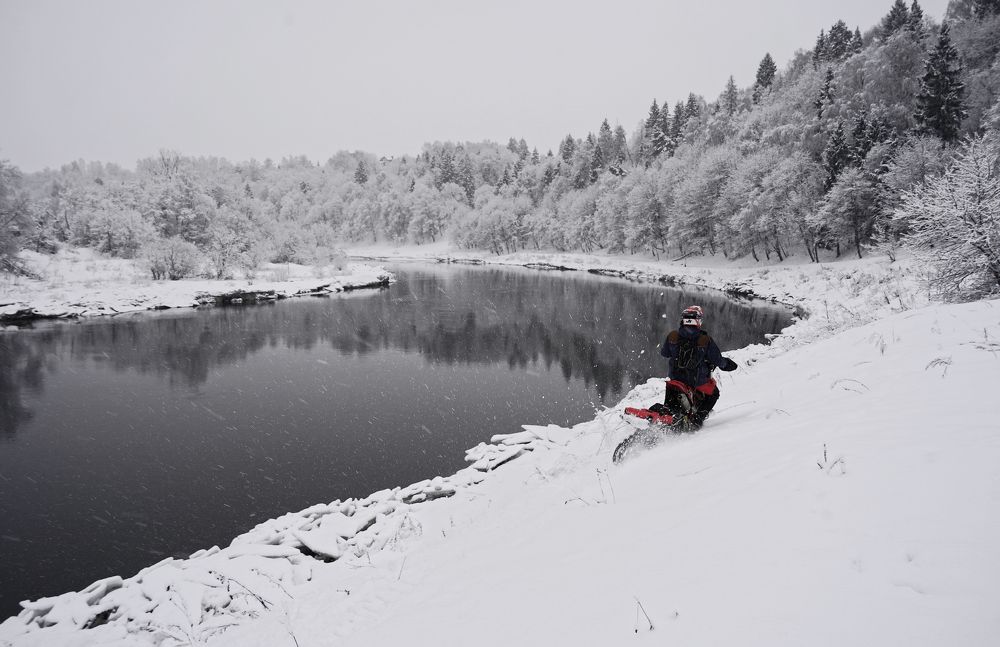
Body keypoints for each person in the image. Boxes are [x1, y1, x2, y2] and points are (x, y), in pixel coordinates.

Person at [659, 305, 738, 429]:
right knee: (714, 393)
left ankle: (670, 416)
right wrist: (728, 364)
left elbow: (665, 353)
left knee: (669, 404)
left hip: (675, 379)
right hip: (696, 382)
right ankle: (698, 419)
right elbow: (717, 360)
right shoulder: (704, 340)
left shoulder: (673, 335)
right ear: (698, 320)